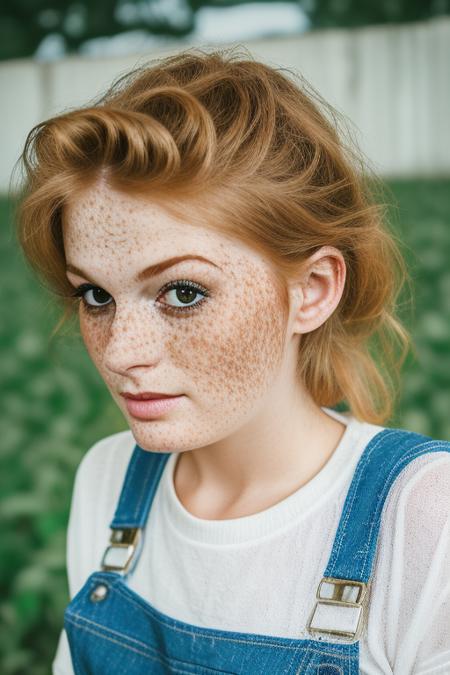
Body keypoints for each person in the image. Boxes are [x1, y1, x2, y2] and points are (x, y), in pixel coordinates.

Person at [15, 47, 450, 675]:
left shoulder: (424, 517)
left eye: (183, 293)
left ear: (313, 290)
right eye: (96, 295)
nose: (120, 352)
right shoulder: (108, 482)